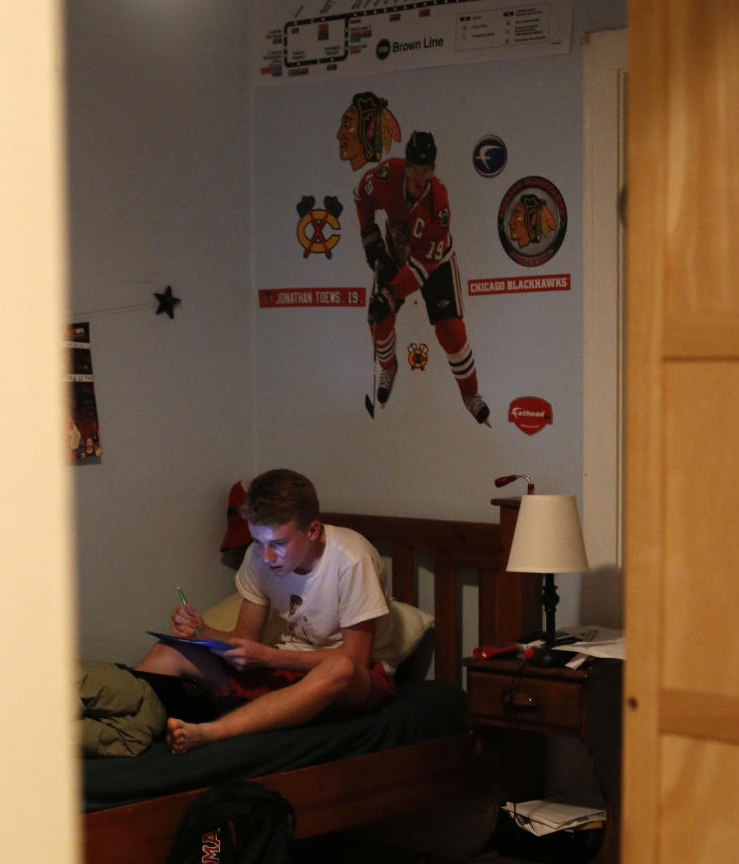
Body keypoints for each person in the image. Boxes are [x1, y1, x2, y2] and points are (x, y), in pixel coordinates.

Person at [134, 469, 401, 755]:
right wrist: (204, 632)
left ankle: (212, 732)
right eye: (259, 542)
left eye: (278, 544)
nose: (266, 556)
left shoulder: (351, 558)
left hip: (354, 680)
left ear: (312, 530)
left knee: (339, 669)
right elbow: (246, 638)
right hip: (284, 666)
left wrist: (269, 656)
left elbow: (355, 658)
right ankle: (118, 716)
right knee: (170, 651)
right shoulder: (259, 557)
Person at [354, 129, 489, 424]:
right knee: (378, 319)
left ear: (433, 171)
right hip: (395, 251)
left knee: (451, 331)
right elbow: (360, 196)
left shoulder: (438, 202)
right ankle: (388, 367)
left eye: (425, 171)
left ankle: (470, 394)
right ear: (406, 164)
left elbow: (423, 266)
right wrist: (369, 235)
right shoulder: (387, 174)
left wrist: (391, 293)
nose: (418, 177)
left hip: (433, 262)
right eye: (414, 168)